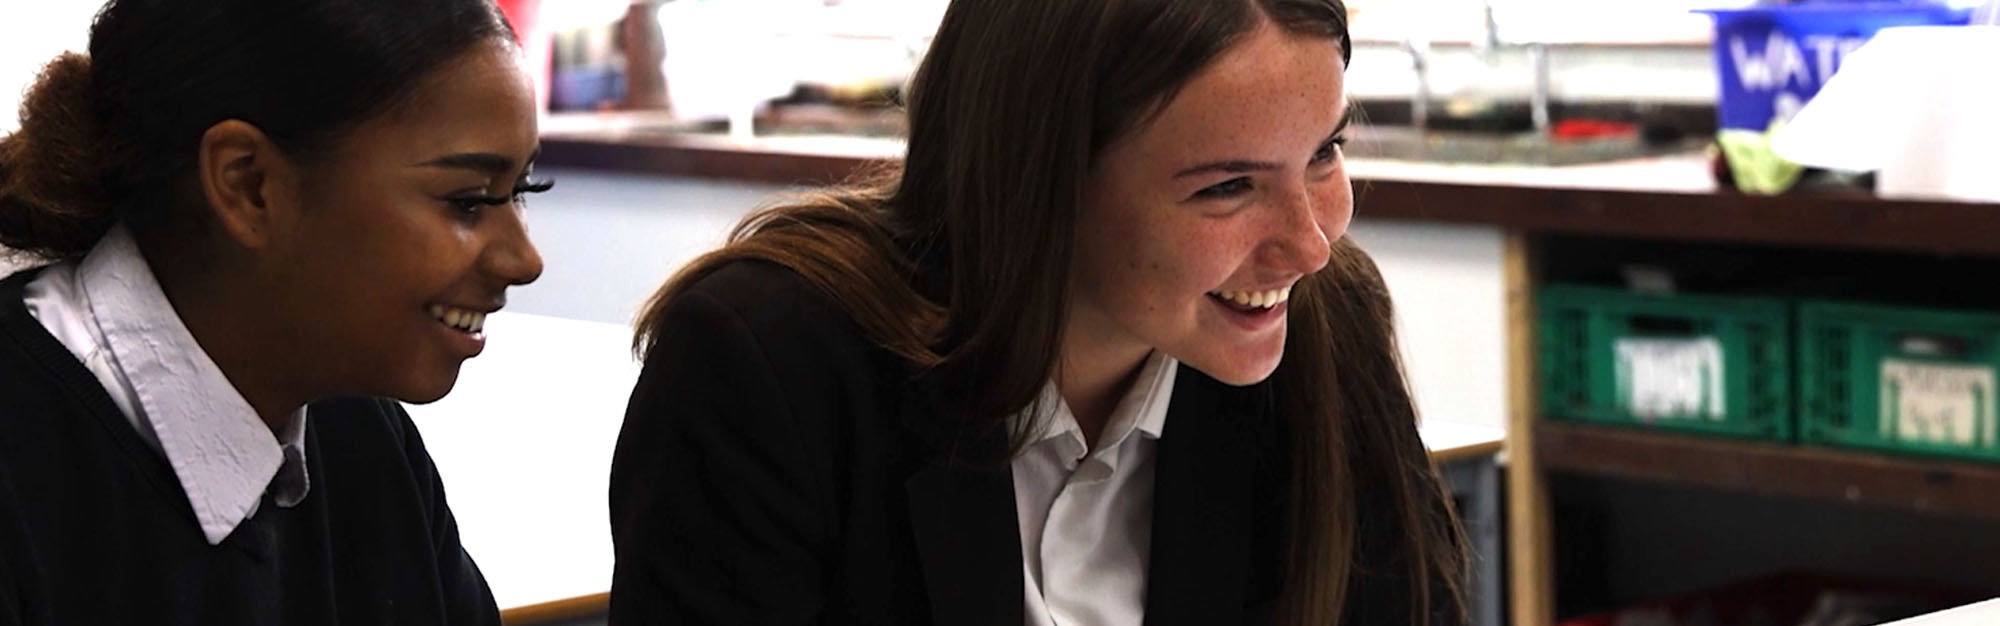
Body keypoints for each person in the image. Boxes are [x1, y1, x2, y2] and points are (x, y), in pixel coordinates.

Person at [609, 0, 1467, 624]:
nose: (1311, 245)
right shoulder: (767, 361)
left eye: (1326, 152)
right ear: (1036, 185)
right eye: (1228, 187)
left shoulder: (1329, 328)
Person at [0, 0, 547, 623]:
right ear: (247, 184)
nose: (524, 261)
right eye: (468, 201)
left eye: (524, 190)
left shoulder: (363, 434)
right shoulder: (24, 466)